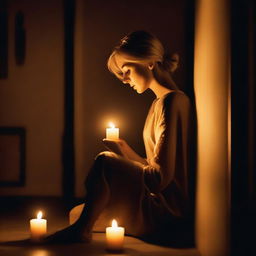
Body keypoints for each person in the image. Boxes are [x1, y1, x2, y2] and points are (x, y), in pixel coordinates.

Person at [46, 30, 196, 247]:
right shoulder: (159, 103)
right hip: (156, 199)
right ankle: (82, 226)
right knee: (76, 213)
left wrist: (114, 164)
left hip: (167, 211)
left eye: (127, 70)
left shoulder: (171, 102)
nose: (125, 80)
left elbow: (159, 179)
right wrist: (123, 148)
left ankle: (81, 231)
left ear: (150, 63)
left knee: (104, 161)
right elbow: (153, 168)